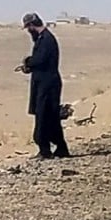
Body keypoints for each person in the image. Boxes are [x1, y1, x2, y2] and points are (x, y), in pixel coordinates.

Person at [18, 13, 70, 159]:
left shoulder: (47, 39)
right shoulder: (42, 39)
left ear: (32, 25)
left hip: (48, 85)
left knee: (44, 116)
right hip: (44, 83)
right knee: (50, 116)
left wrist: (28, 63)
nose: (29, 31)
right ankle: (60, 148)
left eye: (29, 28)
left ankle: (45, 150)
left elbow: (41, 60)